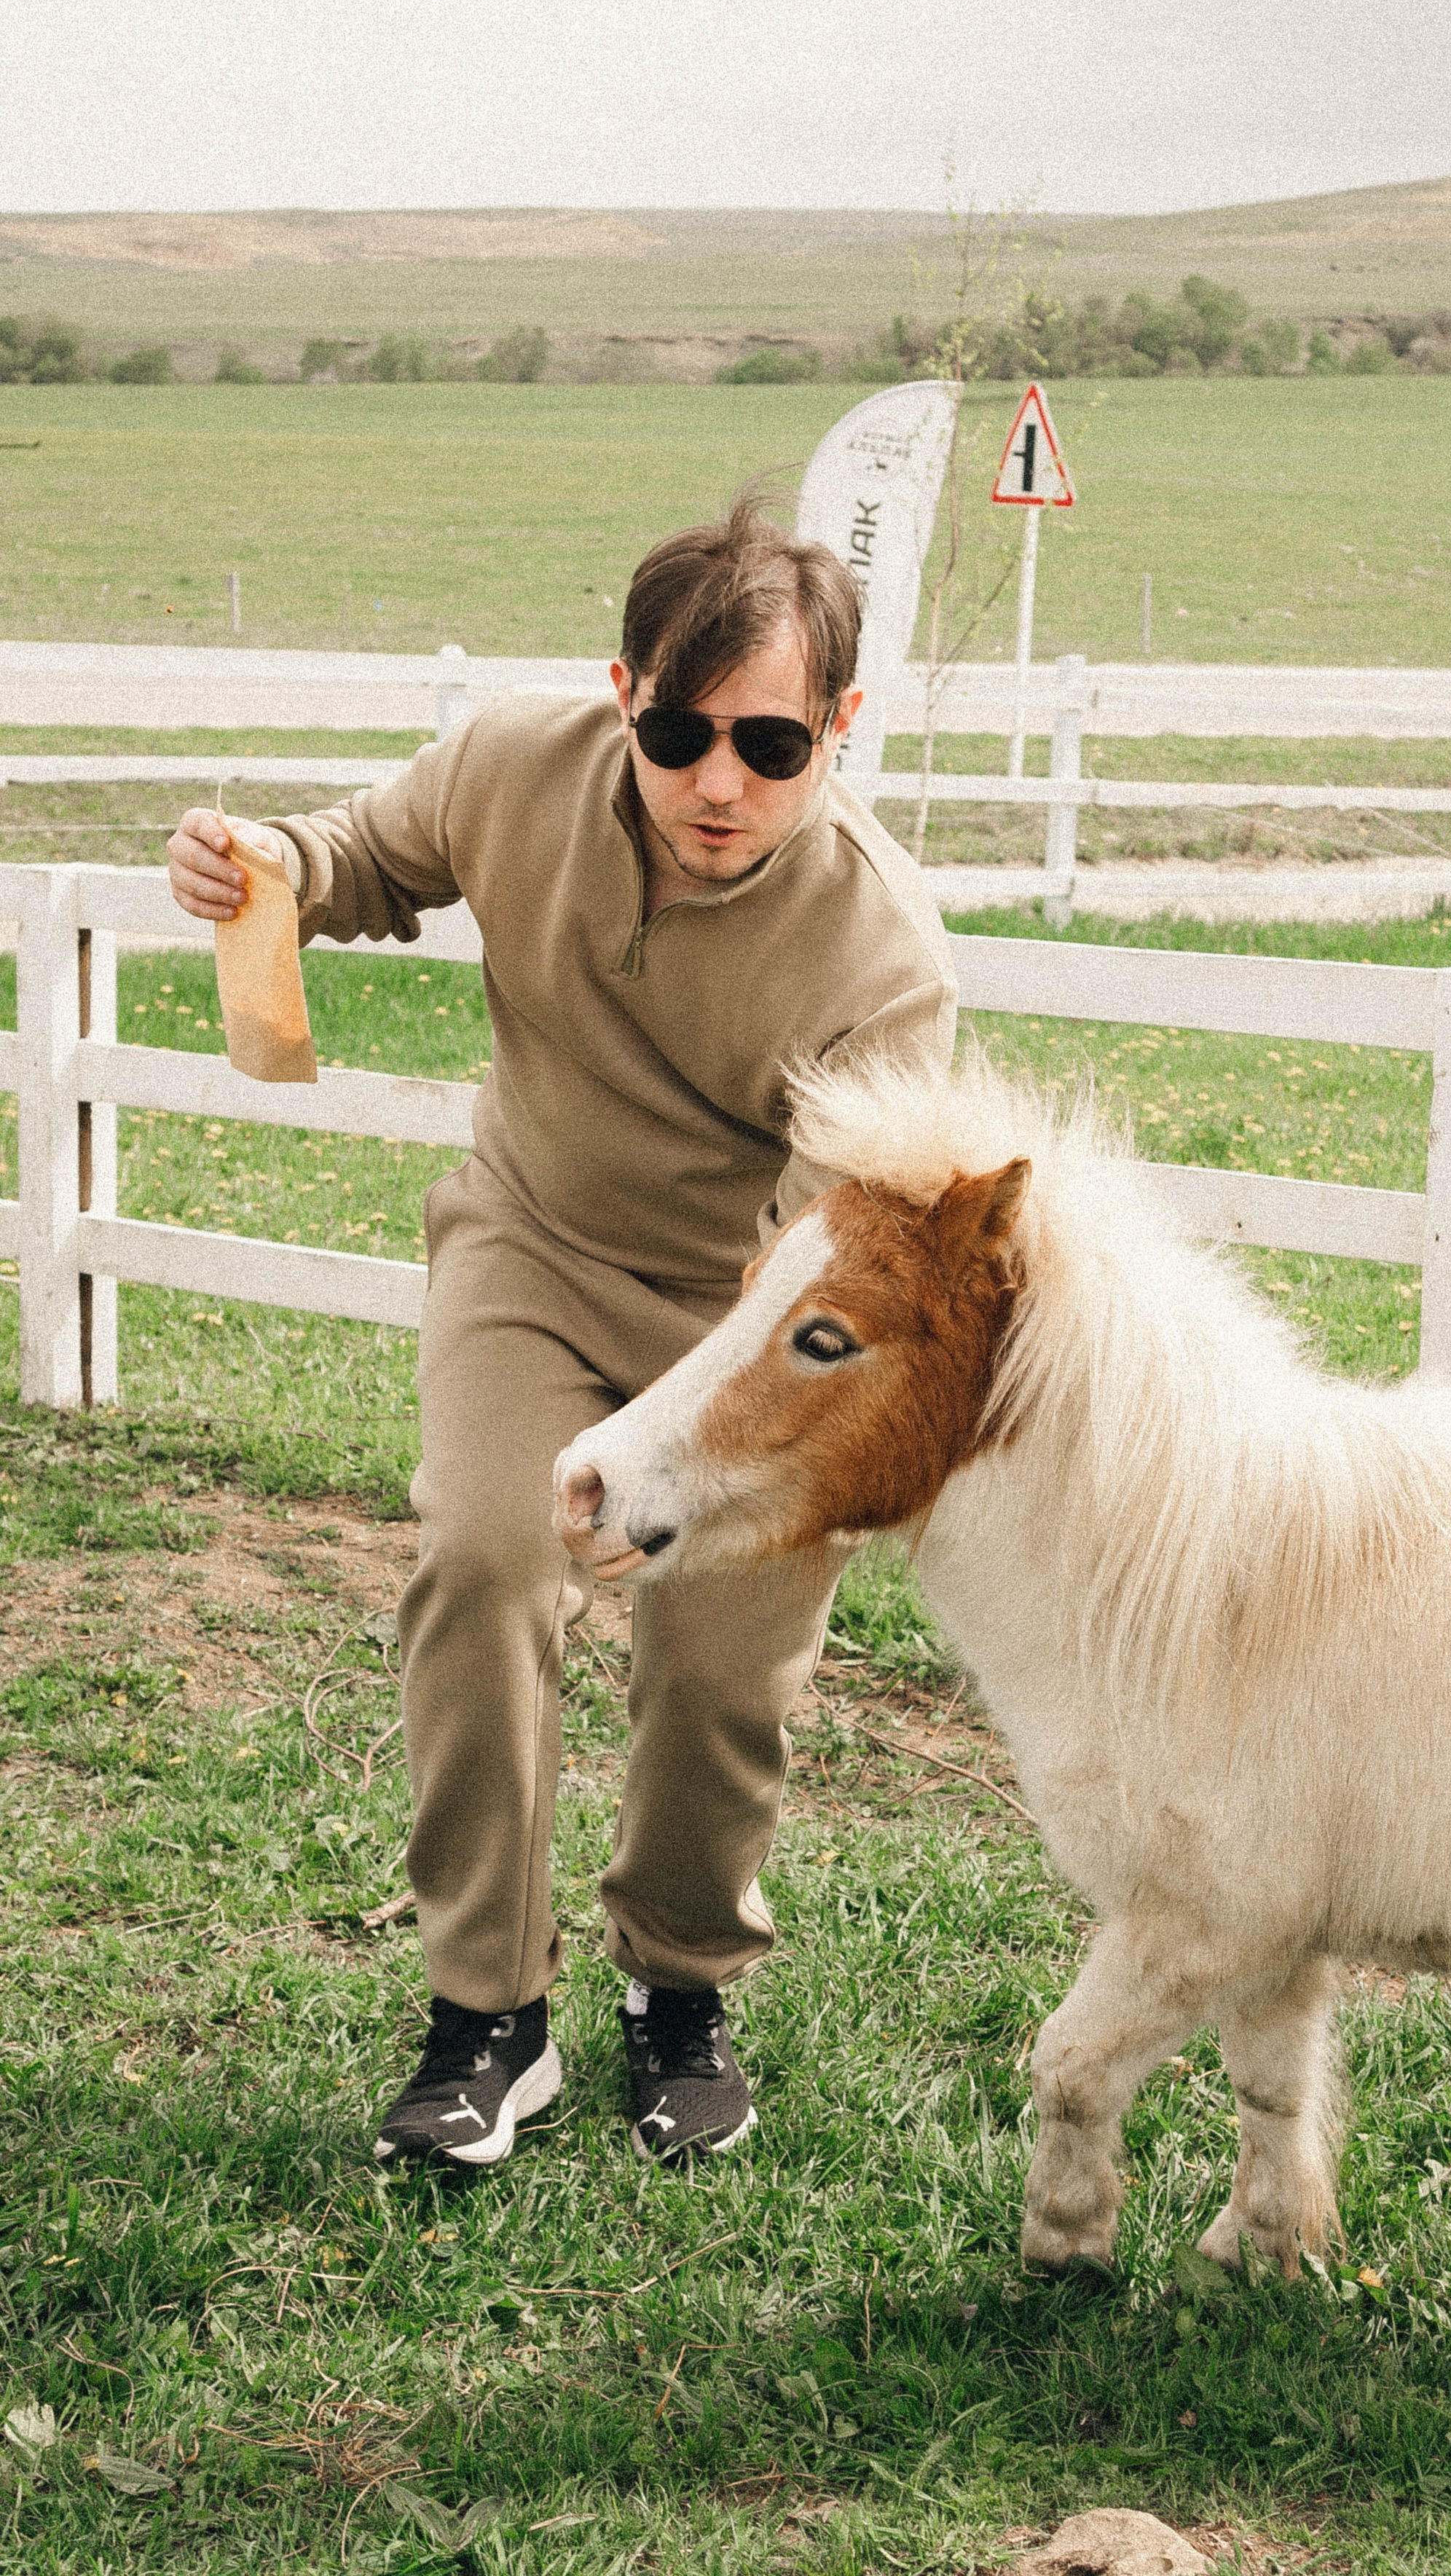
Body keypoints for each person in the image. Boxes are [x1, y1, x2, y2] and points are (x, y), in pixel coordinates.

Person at [166, 498, 956, 2167]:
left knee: (720, 1667)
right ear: (621, 695)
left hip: (744, 1323)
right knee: (481, 1554)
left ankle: (678, 1993)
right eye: (677, 732)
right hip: (530, 1247)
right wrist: (267, 869)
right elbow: (360, 856)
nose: (716, 782)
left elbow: (835, 1264)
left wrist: (701, 1449)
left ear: (838, 729)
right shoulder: (513, 765)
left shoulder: (883, 959)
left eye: (767, 741)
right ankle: (485, 2018)